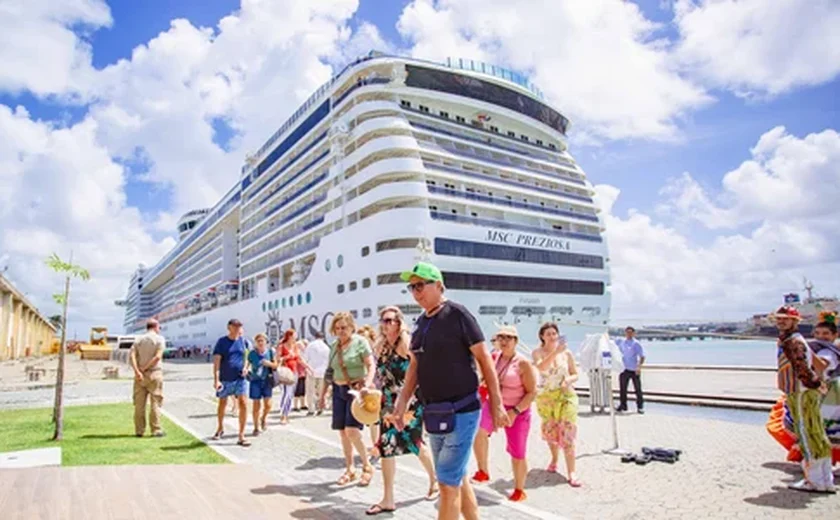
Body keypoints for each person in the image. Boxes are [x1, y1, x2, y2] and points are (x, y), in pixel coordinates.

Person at [393, 262, 507, 520]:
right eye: (412, 287)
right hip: (435, 412)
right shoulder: (421, 323)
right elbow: (414, 366)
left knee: (446, 484)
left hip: (462, 409)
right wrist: (401, 405)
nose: (416, 291)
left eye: (421, 285)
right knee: (457, 476)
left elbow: (485, 359)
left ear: (439, 285)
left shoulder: (458, 314)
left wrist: (497, 404)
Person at [366, 306, 438, 516]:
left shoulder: (405, 342)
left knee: (415, 443)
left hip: (409, 402)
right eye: (383, 320)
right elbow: (380, 375)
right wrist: (370, 388)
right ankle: (388, 498)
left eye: (389, 320)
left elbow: (421, 369)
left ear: (399, 322)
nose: (385, 324)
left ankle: (434, 480)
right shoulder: (381, 345)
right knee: (387, 446)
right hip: (388, 403)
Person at [471, 325, 537, 501]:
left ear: (516, 341)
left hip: (518, 409)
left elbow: (532, 392)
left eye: (509, 337)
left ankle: (519, 489)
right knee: (479, 432)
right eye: (501, 337)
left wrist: (515, 412)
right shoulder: (493, 357)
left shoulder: (523, 363)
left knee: (518, 451)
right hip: (494, 404)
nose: (504, 341)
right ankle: (483, 470)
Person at [772, 305, 834, 493]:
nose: (781, 321)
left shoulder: (792, 342)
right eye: (779, 319)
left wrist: (815, 384)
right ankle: (825, 480)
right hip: (806, 391)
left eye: (785, 319)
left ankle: (814, 480)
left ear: (794, 322)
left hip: (800, 392)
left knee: (807, 435)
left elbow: (801, 368)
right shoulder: (797, 340)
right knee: (818, 434)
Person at [318, 312, 377, 487]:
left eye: (344, 327)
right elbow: (329, 372)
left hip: (356, 390)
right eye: (337, 328)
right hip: (338, 390)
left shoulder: (360, 342)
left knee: (352, 431)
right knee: (343, 432)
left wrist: (367, 383)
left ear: (352, 327)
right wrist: (322, 395)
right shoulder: (335, 346)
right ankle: (350, 468)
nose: (341, 331)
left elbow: (371, 364)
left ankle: (367, 466)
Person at [533, 322, 581, 487]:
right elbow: (541, 367)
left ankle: (571, 472)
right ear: (542, 337)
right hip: (547, 399)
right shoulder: (538, 352)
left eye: (554, 333)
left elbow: (575, 373)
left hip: (567, 396)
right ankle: (554, 459)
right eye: (548, 334)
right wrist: (555, 352)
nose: (552, 336)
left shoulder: (566, 353)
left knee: (568, 432)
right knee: (551, 432)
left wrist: (569, 379)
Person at [212, 319, 251, 447]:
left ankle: (241, 435)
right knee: (222, 403)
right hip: (225, 378)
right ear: (229, 327)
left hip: (240, 378)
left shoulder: (243, 342)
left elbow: (247, 357)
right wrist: (216, 380)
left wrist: (246, 367)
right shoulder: (222, 342)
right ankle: (220, 427)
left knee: (243, 403)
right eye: (235, 326)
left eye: (239, 326)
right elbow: (217, 362)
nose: (237, 328)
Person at [129, 319, 166, 438]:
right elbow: (157, 357)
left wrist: (137, 371)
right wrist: (144, 368)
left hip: (139, 376)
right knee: (155, 402)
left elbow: (132, 356)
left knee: (139, 405)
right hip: (154, 373)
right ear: (156, 327)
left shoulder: (138, 339)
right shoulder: (159, 339)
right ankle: (156, 430)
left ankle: (139, 431)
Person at [277, 329, 311, 425]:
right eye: (294, 336)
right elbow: (277, 359)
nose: (295, 337)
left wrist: (308, 367)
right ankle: (283, 415)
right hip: (285, 372)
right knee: (286, 393)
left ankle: (285, 414)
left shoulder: (295, 346)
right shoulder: (281, 346)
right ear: (289, 336)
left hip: (294, 372)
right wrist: (287, 357)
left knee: (290, 394)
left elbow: (299, 359)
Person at [248, 333, 278, 435]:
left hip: (267, 380)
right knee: (256, 405)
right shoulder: (252, 353)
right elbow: (246, 365)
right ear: (255, 343)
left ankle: (263, 418)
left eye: (262, 340)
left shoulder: (270, 352)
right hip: (255, 381)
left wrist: (268, 363)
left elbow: (276, 365)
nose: (260, 343)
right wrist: (245, 370)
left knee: (268, 405)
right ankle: (256, 427)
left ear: (266, 342)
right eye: (258, 341)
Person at [615, 326, 645, 414]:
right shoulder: (622, 342)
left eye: (630, 332)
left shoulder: (636, 343)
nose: (629, 334)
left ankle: (640, 407)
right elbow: (612, 344)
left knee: (638, 389)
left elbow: (642, 356)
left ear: (633, 333)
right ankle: (623, 405)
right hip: (624, 369)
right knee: (623, 389)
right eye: (627, 332)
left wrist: (639, 367)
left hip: (634, 369)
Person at [303, 331, 330, 416]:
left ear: (315, 337)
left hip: (312, 370)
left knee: (310, 391)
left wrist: (306, 368)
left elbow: (305, 358)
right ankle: (320, 408)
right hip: (323, 371)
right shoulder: (326, 347)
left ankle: (311, 409)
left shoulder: (310, 346)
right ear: (323, 338)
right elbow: (329, 361)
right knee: (321, 391)